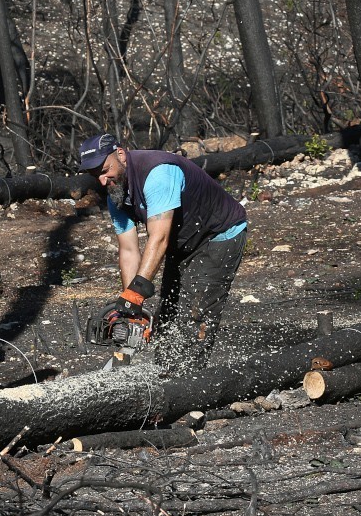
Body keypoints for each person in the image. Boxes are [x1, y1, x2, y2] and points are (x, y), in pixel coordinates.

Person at [78, 133, 247, 377]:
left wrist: (137, 293)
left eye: (105, 171)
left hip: (218, 234)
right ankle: (164, 375)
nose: (103, 181)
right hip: (182, 241)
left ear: (121, 154)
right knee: (168, 313)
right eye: (96, 176)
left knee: (195, 314)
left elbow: (158, 238)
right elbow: (128, 250)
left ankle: (189, 383)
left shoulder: (157, 173)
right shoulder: (116, 195)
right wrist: (131, 305)